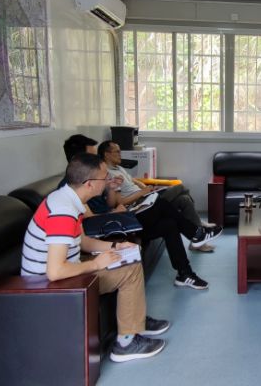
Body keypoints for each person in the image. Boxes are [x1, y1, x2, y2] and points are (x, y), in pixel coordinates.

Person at [20, 153, 169, 363]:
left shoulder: (69, 199)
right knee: (129, 270)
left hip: (63, 271)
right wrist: (97, 264)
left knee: (127, 256)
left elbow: (83, 242)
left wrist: (116, 246)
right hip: (48, 285)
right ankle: (126, 343)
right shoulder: (63, 211)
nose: (109, 180)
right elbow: (55, 272)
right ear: (89, 184)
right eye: (104, 177)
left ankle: (135, 321)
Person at [62, 135, 221, 290]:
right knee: (161, 204)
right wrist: (113, 213)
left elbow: (110, 203)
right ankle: (196, 233)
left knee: (169, 224)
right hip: (112, 226)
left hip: (118, 218)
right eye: (92, 157)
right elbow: (90, 221)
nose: (98, 161)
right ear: (78, 161)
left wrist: (111, 189)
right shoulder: (72, 189)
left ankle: (184, 273)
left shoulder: (89, 181)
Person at [97, 140, 217, 253]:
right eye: (117, 152)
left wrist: (146, 188)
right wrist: (142, 193)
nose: (120, 154)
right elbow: (120, 203)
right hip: (139, 204)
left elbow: (133, 180)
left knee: (184, 200)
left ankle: (197, 242)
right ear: (107, 154)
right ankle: (198, 223)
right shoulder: (108, 175)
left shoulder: (119, 168)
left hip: (146, 196)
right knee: (180, 187)